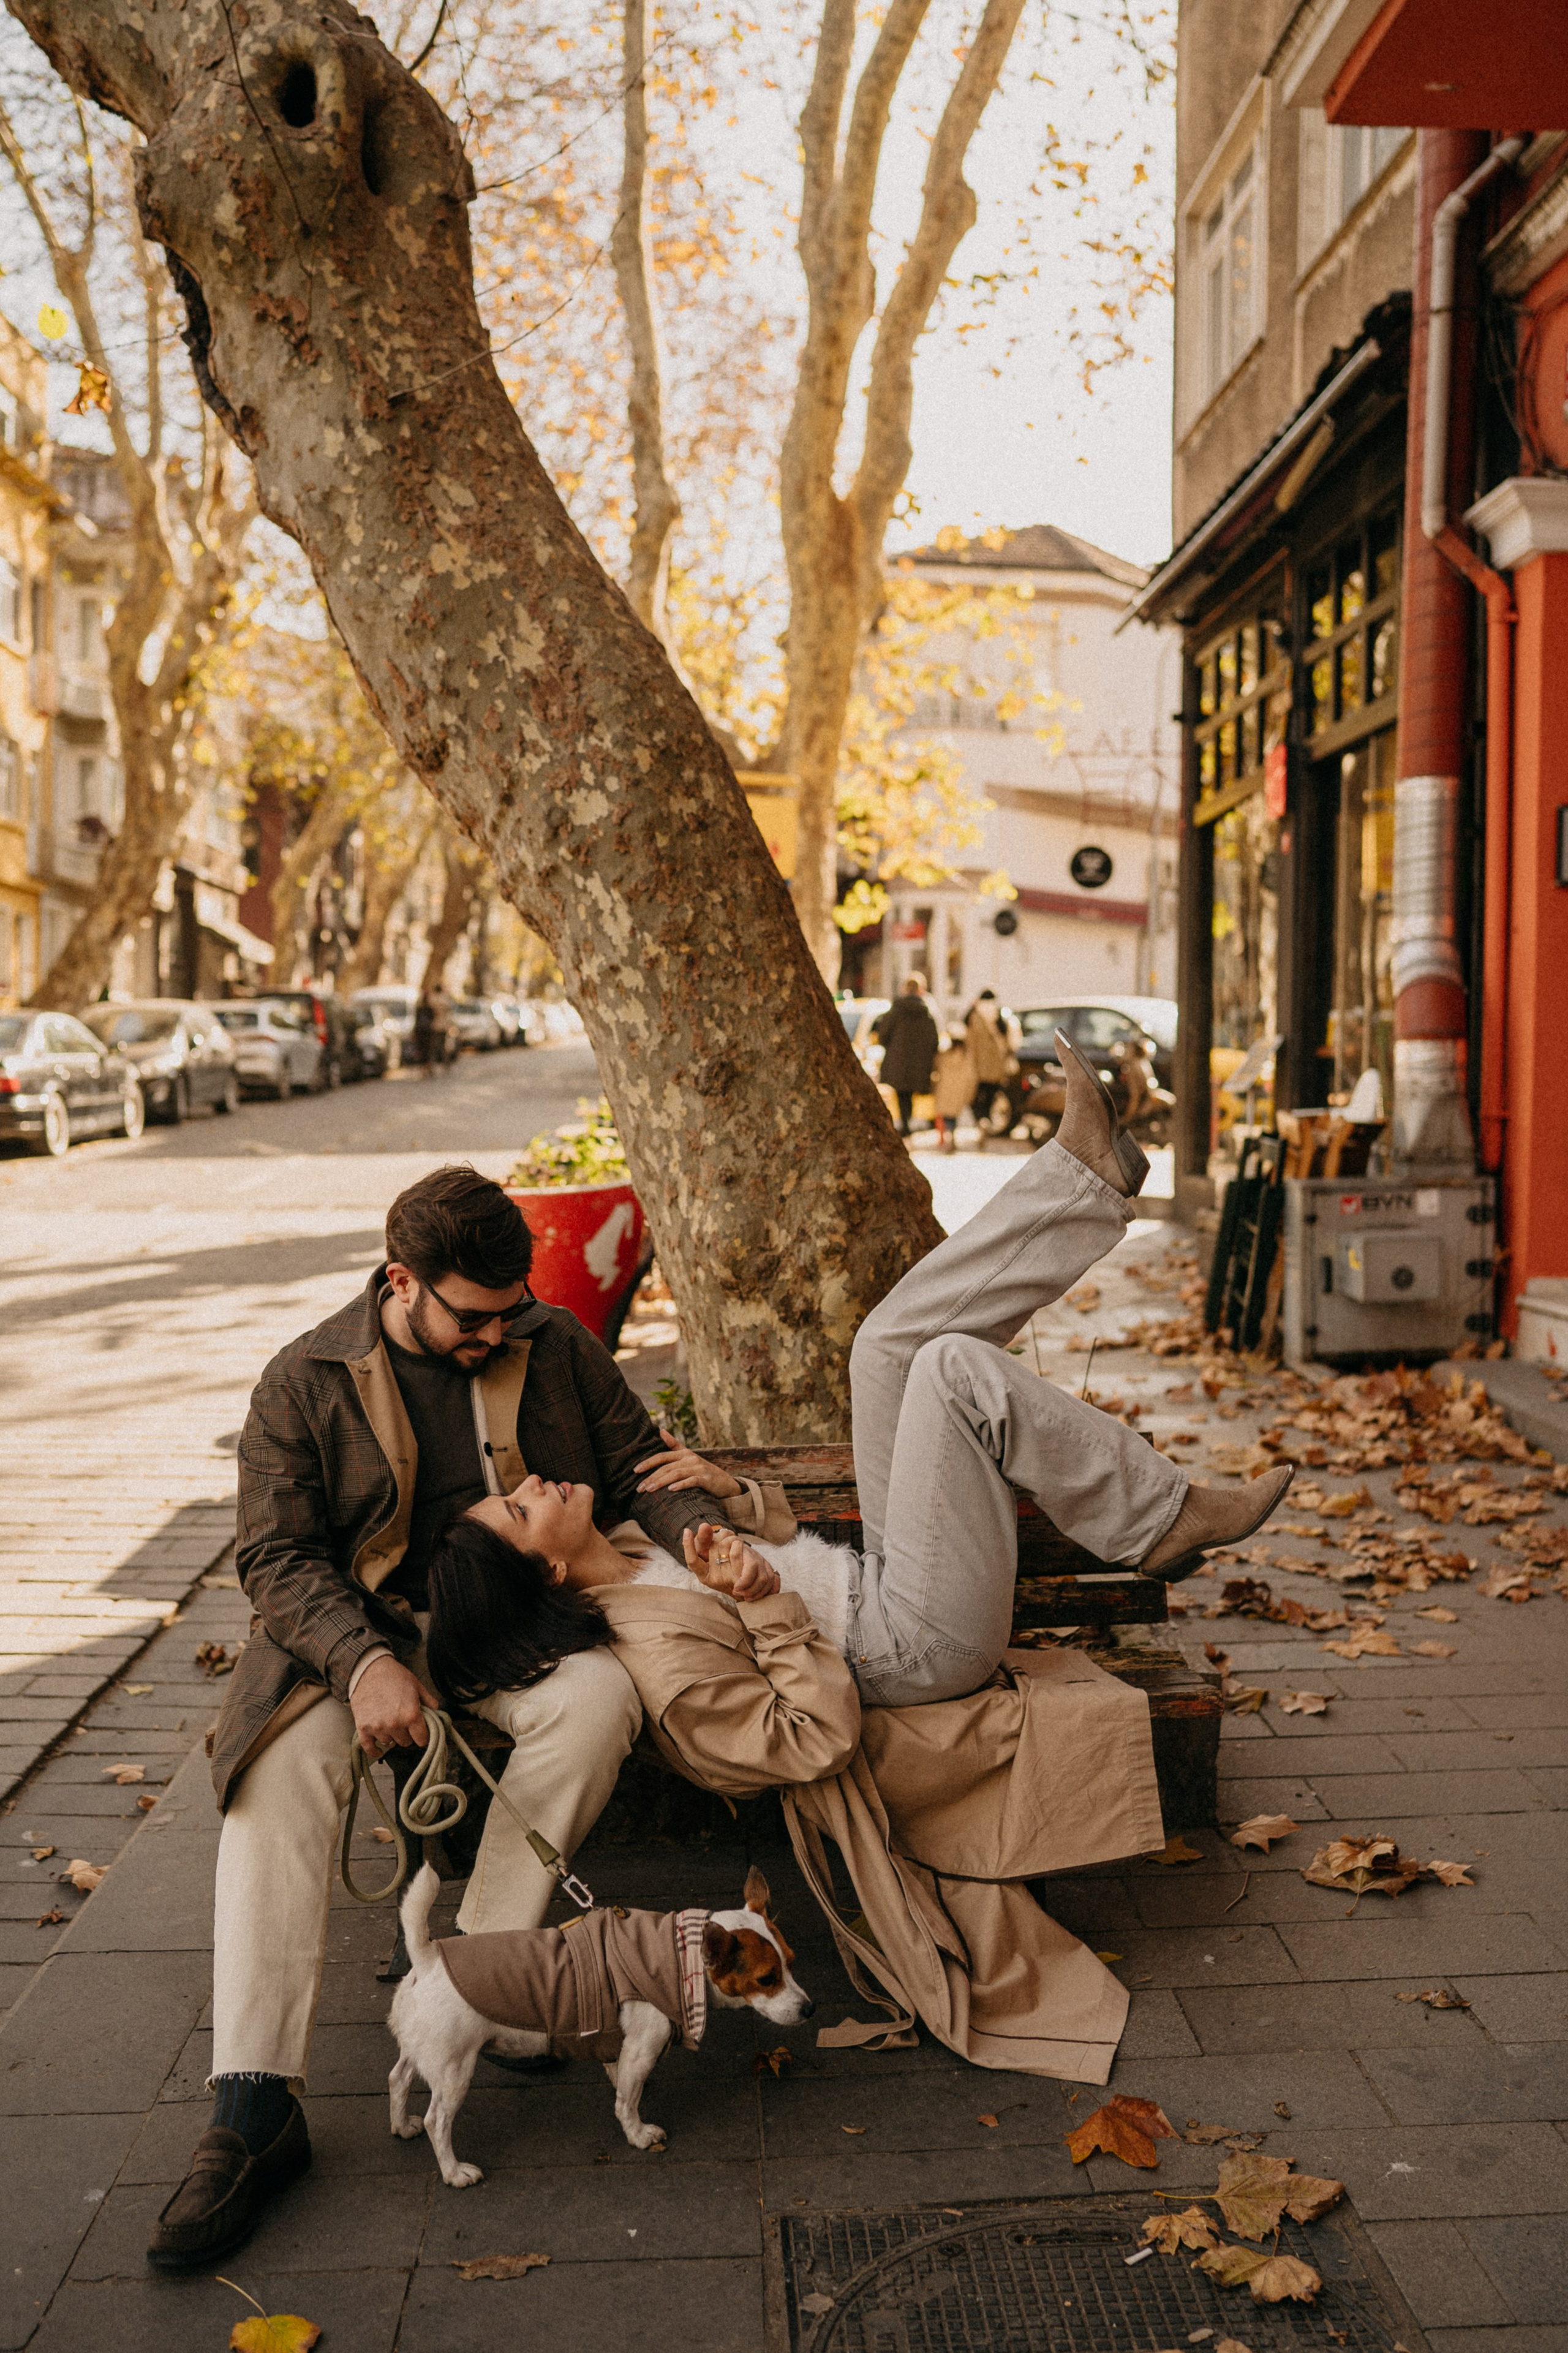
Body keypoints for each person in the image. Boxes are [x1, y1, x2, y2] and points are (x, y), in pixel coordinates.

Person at [422, 1043, 1295, 2074]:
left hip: (880, 1580)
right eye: (523, 1510)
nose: (537, 1482)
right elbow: (810, 1742)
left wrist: (741, 1504)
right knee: (957, 1370)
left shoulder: (627, 1535)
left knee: (886, 1349)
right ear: (549, 1576)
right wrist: (768, 1611)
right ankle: (1161, 1520)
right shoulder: (656, 1662)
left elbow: (790, 1542)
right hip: (910, 1645)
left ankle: (1085, 1176)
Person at [146, 1166, 773, 2271]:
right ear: (402, 1282)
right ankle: (253, 2103)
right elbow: (275, 1558)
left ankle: (487, 1984)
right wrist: (362, 1660)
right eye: (475, 1316)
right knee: (274, 1773)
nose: (501, 1331)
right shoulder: (303, 1378)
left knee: (596, 1698)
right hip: (352, 1635)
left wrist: (699, 1530)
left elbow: (636, 1466)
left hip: (519, 1628)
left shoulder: (555, 1340)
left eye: (513, 1307)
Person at [872, 973, 940, 1135]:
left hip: (898, 1061)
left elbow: (883, 1034)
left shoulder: (897, 1009)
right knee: (908, 1095)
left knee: (902, 1093)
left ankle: (905, 1124)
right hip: (919, 1062)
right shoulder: (928, 1012)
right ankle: (906, 1123)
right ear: (921, 990)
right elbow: (934, 1040)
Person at [964, 987, 1019, 1141]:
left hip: (977, 1066)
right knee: (991, 1096)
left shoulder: (973, 1015)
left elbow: (967, 1037)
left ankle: (981, 1120)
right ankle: (986, 1120)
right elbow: (1011, 1043)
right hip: (997, 1066)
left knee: (974, 1097)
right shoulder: (1001, 1015)